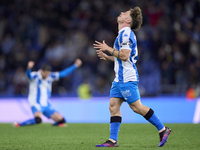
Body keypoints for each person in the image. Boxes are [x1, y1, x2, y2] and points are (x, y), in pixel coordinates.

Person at [93, 7, 171, 147]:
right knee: (113, 106)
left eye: (125, 13)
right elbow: (122, 58)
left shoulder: (125, 34)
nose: (121, 13)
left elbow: (125, 56)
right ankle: (112, 140)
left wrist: (108, 49)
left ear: (128, 20)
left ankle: (163, 129)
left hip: (127, 78)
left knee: (137, 107)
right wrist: (108, 57)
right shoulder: (122, 34)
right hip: (119, 79)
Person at [13, 58, 82, 127]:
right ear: (41, 71)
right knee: (38, 120)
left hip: (46, 104)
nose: (47, 76)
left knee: (62, 121)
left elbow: (64, 73)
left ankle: (54, 125)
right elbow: (28, 75)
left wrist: (75, 65)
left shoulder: (50, 76)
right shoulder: (35, 76)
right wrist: (28, 68)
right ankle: (19, 124)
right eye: (45, 74)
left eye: (48, 74)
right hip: (36, 103)